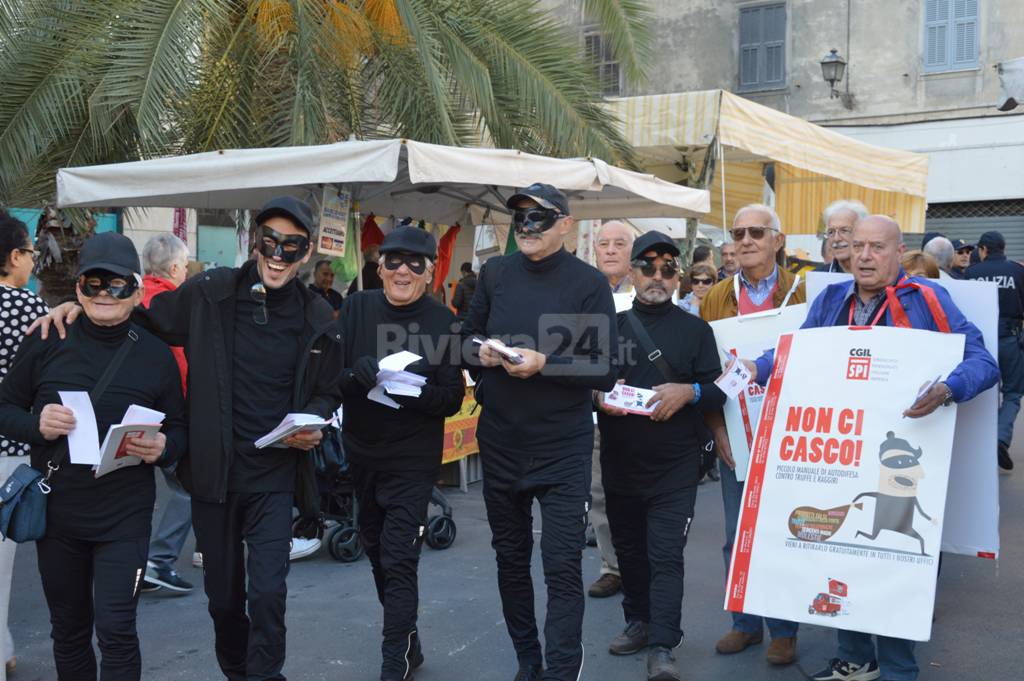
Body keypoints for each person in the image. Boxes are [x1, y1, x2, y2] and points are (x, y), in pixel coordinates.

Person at [32, 196, 344, 681]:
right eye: (271, 242)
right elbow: (141, 314)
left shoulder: (317, 317)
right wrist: (83, 301)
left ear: (305, 254)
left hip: (275, 475)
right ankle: (239, 669)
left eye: (292, 246)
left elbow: (328, 390)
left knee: (267, 594)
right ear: (255, 241)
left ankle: (263, 675)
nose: (279, 254)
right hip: (214, 475)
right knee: (223, 600)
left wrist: (313, 422)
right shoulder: (210, 291)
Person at [745, 215, 998, 681]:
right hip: (843, 454)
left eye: (876, 247)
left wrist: (948, 388)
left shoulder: (928, 300)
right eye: (857, 246)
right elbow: (797, 350)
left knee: (896, 559)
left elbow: (983, 361)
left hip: (902, 457)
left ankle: (900, 668)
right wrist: (755, 368)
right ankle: (855, 658)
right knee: (843, 553)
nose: (864, 255)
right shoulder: (831, 298)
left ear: (899, 252)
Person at [0, 232, 186, 681]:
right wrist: (35, 425)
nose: (105, 293)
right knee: (68, 630)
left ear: (137, 291)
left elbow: (180, 430)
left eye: (117, 284)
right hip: (60, 514)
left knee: (118, 630)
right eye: (94, 282)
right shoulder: (48, 336)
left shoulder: (157, 356)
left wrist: (164, 448)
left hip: (125, 516)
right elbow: (4, 407)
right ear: (78, 288)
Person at [462, 183, 617, 681]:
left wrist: (546, 363)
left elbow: (607, 369)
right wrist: (479, 352)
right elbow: (463, 337)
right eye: (520, 218)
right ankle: (528, 661)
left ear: (566, 224)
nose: (527, 227)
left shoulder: (589, 283)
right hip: (501, 441)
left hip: (563, 448)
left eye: (539, 218)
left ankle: (561, 668)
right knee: (510, 560)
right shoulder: (495, 273)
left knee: (560, 565)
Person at [596, 231, 726, 681]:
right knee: (630, 551)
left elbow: (717, 390)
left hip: (675, 464)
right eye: (647, 266)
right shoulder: (609, 327)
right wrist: (598, 397)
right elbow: (587, 384)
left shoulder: (696, 330)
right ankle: (639, 621)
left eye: (668, 267)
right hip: (619, 460)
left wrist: (688, 391)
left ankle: (663, 643)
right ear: (631, 271)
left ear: (678, 276)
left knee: (665, 553)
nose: (657, 275)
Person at [338, 225, 464, 681]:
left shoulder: (444, 322)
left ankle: (394, 661)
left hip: (413, 458)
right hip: (362, 452)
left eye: (416, 263)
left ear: (430, 272)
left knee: (398, 555)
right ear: (380, 267)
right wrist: (357, 375)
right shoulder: (355, 308)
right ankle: (409, 641)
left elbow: (452, 398)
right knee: (375, 551)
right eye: (394, 261)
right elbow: (330, 378)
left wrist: (416, 392)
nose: (403, 270)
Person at [700, 203, 804, 666]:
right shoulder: (716, 295)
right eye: (738, 232)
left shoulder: (804, 292)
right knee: (736, 532)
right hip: (737, 431)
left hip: (791, 430)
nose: (745, 240)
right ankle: (745, 623)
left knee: (782, 530)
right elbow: (704, 368)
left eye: (756, 232)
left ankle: (784, 630)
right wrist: (717, 428)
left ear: (777, 240)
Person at [0, 211, 49, 679]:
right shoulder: (27, 309)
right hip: (9, 449)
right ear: (15, 256)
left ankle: (6, 647)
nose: (33, 260)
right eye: (31, 251)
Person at [135, 233, 195, 594]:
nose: (186, 272)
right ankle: (158, 560)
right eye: (185, 266)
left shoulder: (130, 298)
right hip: (168, 416)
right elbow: (183, 368)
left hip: (132, 413)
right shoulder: (172, 305)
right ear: (174, 267)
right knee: (190, 485)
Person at [586, 220, 633, 599]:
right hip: (596, 411)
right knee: (599, 493)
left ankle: (641, 563)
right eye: (605, 243)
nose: (612, 250)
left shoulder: (650, 289)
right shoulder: (581, 294)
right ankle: (611, 566)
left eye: (620, 243)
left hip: (643, 414)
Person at [965, 230, 1024, 471]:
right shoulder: (1018, 271)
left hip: (981, 343)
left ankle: (976, 445)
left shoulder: (971, 273)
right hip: (1010, 340)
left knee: (982, 395)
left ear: (983, 250)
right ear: (1003, 247)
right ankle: (1000, 437)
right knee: (1012, 393)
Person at [815, 200, 868, 274]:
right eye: (831, 232)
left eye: (844, 231)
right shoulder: (818, 277)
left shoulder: (880, 276)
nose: (836, 238)